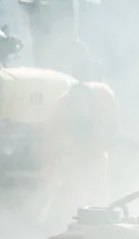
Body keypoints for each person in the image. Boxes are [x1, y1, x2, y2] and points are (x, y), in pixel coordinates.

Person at [40, 80, 118, 227]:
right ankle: (61, 221)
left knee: (98, 186)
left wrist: (99, 146)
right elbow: (48, 151)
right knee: (70, 185)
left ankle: (101, 223)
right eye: (76, 109)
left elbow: (113, 127)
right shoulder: (58, 110)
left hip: (97, 147)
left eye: (83, 108)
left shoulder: (104, 97)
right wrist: (51, 184)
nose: (80, 111)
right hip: (72, 150)